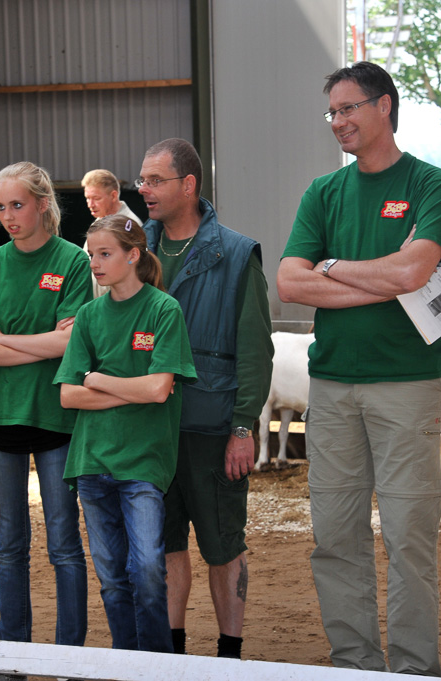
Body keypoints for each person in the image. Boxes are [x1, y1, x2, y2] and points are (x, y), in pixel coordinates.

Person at [277, 61, 441, 676]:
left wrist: (330, 266)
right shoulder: (322, 193)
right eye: (332, 112)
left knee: (409, 538)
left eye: (349, 108)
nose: (338, 122)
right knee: (336, 537)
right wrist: (376, 275)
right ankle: (354, 665)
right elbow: (288, 282)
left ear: (385, 106)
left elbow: (414, 274)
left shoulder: (431, 184)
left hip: (407, 385)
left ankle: (412, 671)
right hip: (330, 388)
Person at [138, 138, 274, 659]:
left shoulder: (236, 254)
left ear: (188, 185)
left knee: (222, 546)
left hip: (211, 425)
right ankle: (171, 657)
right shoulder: (136, 250)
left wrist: (243, 427)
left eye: (155, 180)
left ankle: (229, 658)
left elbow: (255, 350)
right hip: (149, 426)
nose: (144, 190)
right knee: (164, 546)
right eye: (142, 180)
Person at [0, 162, 91, 676]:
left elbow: (70, 343)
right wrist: (34, 345)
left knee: (63, 543)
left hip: (56, 417)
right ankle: (11, 661)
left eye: (17, 204)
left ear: (42, 204)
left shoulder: (73, 262)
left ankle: (68, 663)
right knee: (10, 545)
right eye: (0, 207)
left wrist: (1, 338)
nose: (8, 216)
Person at [54, 214, 196, 653]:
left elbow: (159, 389)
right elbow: (68, 397)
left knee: (149, 570)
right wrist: (127, 390)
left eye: (105, 254)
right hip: (91, 461)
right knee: (113, 577)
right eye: (92, 254)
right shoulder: (90, 315)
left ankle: (156, 665)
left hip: (143, 463)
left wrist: (98, 379)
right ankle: (126, 662)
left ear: (133, 256)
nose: (95, 263)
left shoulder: (162, 309)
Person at [81, 169, 142, 298]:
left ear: (114, 196)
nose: (90, 205)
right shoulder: (98, 223)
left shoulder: (129, 226)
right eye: (87, 198)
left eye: (96, 198)